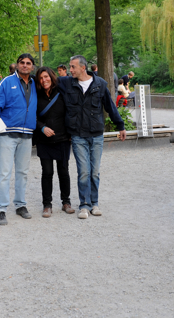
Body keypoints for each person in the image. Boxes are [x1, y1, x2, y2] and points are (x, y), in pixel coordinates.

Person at [58, 55, 126, 219]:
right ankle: (84, 205)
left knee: (94, 172)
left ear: (83, 68)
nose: (70, 70)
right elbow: (46, 79)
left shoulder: (100, 84)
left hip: (96, 135)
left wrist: (120, 125)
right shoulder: (67, 83)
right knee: (83, 172)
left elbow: (110, 106)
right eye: (69, 67)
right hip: (78, 135)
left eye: (73, 67)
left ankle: (94, 203)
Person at [0, 54, 38, 225]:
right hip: (8, 134)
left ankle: (20, 205)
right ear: (17, 65)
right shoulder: (7, 82)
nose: (25, 65)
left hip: (27, 134)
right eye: (22, 63)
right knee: (4, 173)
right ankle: (1, 209)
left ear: (32, 67)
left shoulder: (35, 84)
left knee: (23, 173)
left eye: (28, 63)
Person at [34, 67, 75, 217]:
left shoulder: (61, 92)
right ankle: (47, 205)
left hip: (62, 138)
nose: (44, 80)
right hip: (43, 140)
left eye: (46, 77)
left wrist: (71, 132)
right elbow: (31, 116)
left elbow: (70, 111)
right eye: (41, 78)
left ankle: (66, 202)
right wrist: (42, 127)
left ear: (51, 77)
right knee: (47, 172)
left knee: (63, 171)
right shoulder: (36, 95)